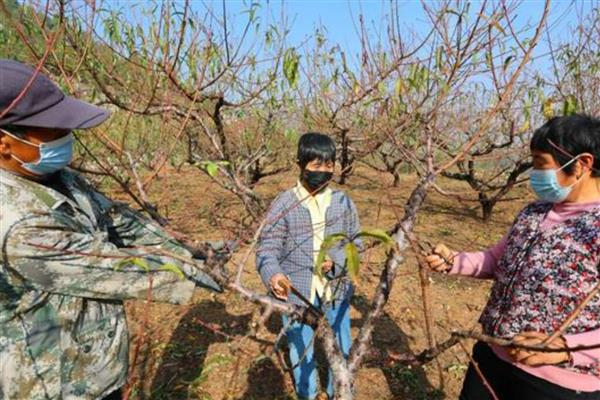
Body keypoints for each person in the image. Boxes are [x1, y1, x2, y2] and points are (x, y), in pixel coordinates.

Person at [0, 59, 222, 399]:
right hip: (53, 384)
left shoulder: (61, 179)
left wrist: (191, 250)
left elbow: (121, 222)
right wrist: (201, 273)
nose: (67, 138)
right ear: (5, 143)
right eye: (54, 130)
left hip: (96, 369)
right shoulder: (18, 224)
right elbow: (113, 269)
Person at [426, 114, 600, 399]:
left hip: (556, 384)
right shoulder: (534, 212)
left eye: (540, 164)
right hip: (492, 357)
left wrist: (565, 348)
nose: (534, 172)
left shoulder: (595, 228)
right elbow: (497, 260)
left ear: (582, 164)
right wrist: (454, 261)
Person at [256, 132, 360, 400]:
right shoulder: (285, 203)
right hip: (296, 291)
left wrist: (336, 263)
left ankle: (341, 392)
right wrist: (274, 275)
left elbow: (355, 245)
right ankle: (309, 394)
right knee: (300, 347)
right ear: (300, 164)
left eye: (329, 165)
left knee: (342, 345)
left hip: (335, 288)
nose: (323, 171)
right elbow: (267, 248)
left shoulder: (343, 203)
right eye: (316, 165)